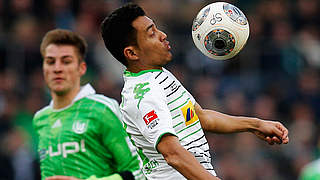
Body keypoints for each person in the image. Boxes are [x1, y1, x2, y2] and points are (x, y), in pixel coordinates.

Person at [100, 3, 290, 180]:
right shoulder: (142, 95)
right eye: (151, 34)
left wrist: (255, 125)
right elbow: (173, 154)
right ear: (132, 53)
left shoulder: (160, 75)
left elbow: (201, 117)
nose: (163, 34)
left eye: (156, 28)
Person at [33, 29, 145, 180]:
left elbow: (140, 170)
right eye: (50, 62)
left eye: (66, 61)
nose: (57, 68)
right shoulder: (40, 119)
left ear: (81, 68)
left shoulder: (102, 109)